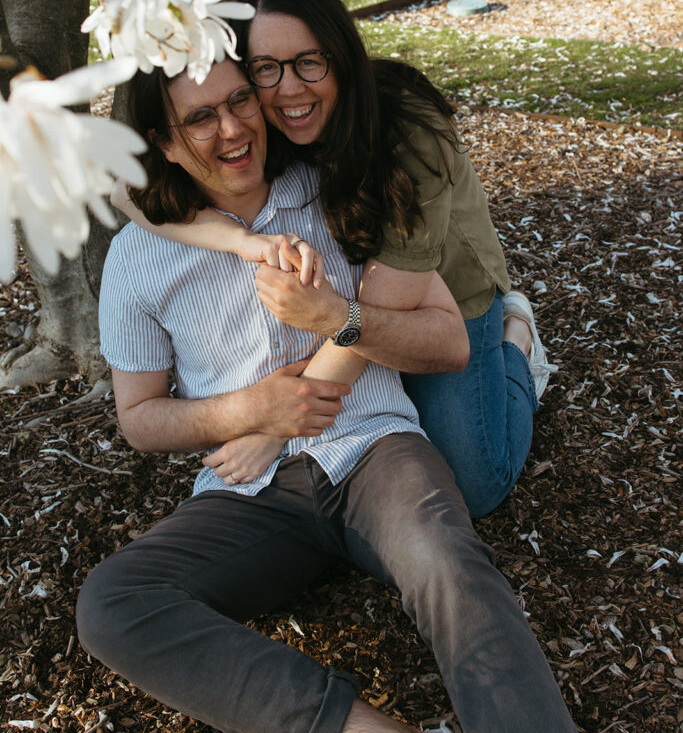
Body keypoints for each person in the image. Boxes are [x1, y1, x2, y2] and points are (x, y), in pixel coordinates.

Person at [78, 56, 577, 733]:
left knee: (447, 559)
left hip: (374, 451)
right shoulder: (139, 257)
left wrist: (336, 312)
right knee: (114, 603)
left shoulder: (337, 193)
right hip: (250, 494)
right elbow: (138, 419)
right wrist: (248, 411)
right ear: (164, 144)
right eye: (200, 117)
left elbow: (442, 336)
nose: (231, 128)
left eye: (239, 101)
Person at [113, 0, 556, 517]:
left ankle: (518, 344)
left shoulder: (409, 134)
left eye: (309, 62)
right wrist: (241, 241)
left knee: (474, 485)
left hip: (443, 295)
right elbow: (127, 191)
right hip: (356, 312)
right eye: (265, 69)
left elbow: (372, 313)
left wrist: (277, 430)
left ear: (340, 57)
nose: (289, 89)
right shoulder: (260, 120)